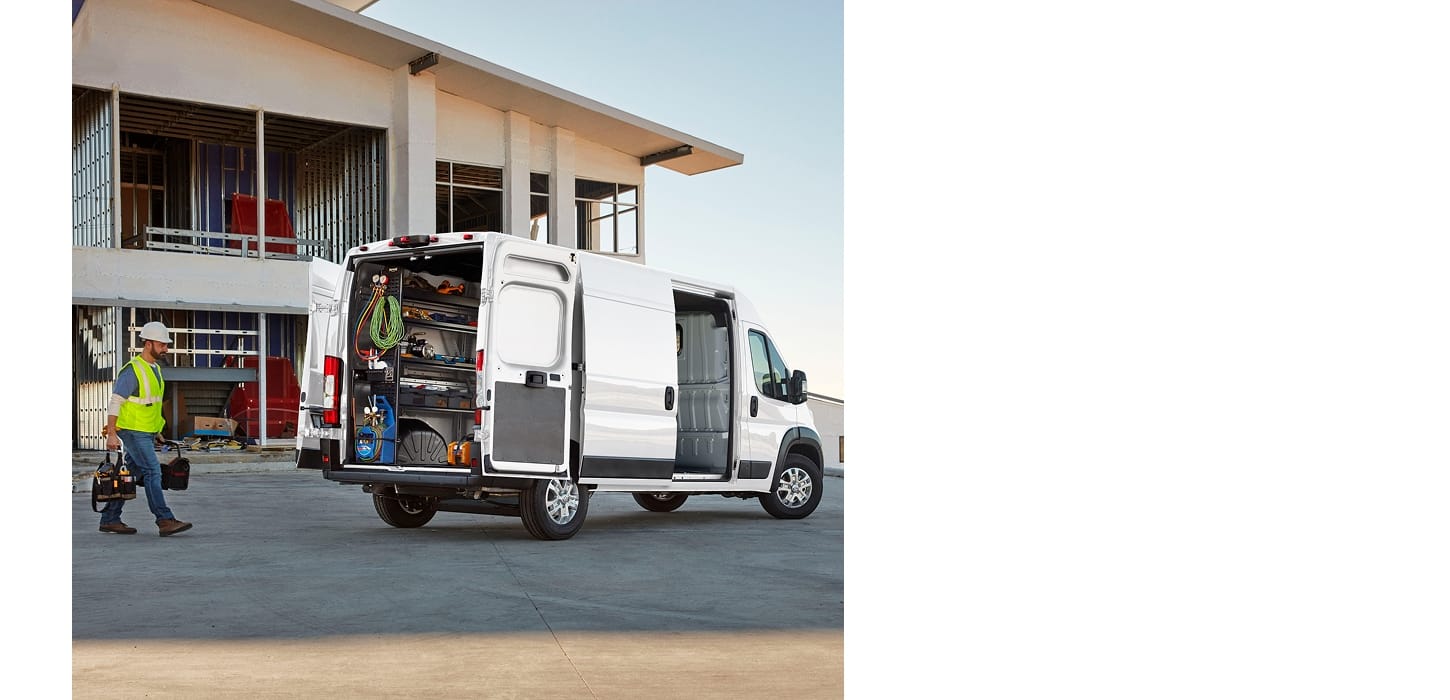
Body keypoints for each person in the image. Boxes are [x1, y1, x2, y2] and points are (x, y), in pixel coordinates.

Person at [99, 321, 192, 537]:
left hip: (146, 431)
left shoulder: (155, 369)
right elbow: (116, 402)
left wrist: (157, 431)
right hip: (132, 430)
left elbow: (152, 404)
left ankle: (110, 519)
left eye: (166, 345)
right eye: (162, 344)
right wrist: (112, 433)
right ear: (148, 343)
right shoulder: (132, 371)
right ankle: (164, 519)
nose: (165, 349)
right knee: (152, 471)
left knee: (131, 473)